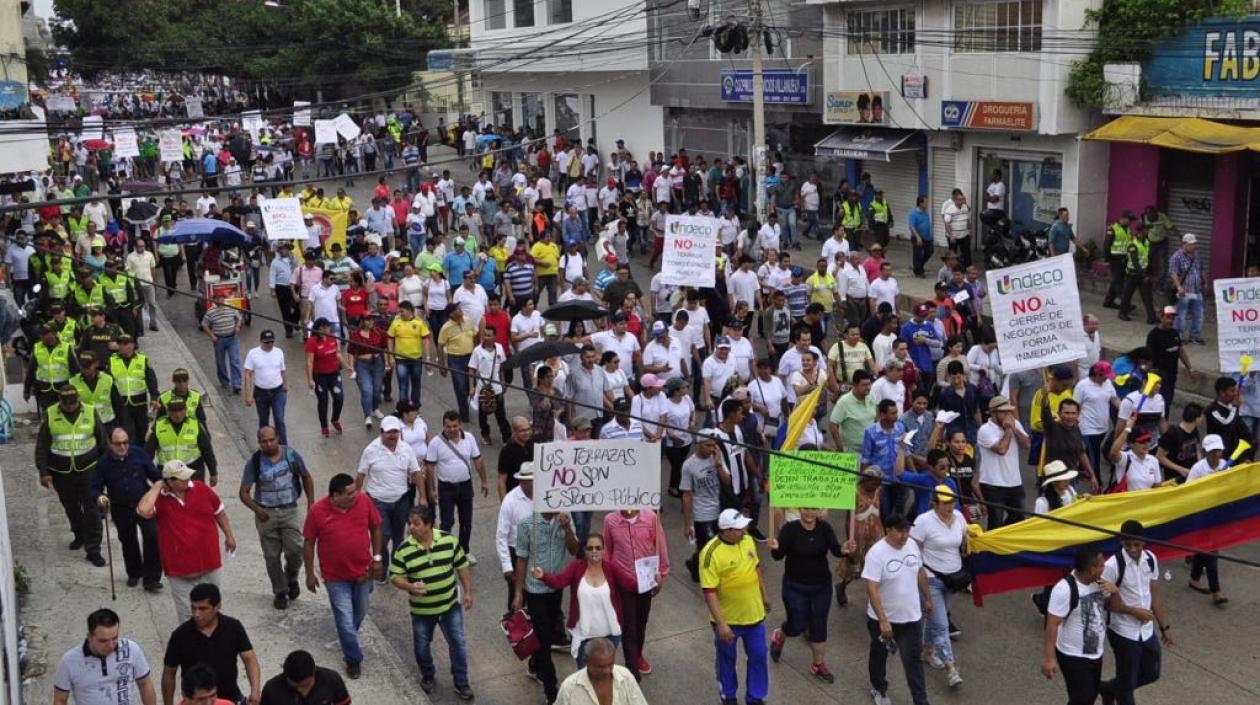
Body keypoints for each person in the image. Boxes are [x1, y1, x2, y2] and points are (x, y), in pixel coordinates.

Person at [301, 473, 383, 679]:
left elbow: (375, 527)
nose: (355, 495)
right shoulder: (317, 511)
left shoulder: (364, 501)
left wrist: (378, 558)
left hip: (364, 573)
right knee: (345, 619)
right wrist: (310, 574)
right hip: (335, 578)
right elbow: (309, 542)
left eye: (355, 490)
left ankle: (348, 638)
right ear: (334, 496)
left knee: (360, 611)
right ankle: (353, 658)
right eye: (349, 493)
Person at [390, 506, 475, 700]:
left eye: (416, 524)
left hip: (449, 606)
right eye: (409, 523)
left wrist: (468, 592)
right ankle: (428, 675)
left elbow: (461, 566)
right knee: (421, 645)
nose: (411, 527)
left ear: (429, 525)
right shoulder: (404, 550)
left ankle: (461, 683)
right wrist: (410, 587)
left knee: (458, 644)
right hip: (422, 611)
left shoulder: (448, 541)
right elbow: (395, 576)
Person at [137, 459, 235, 622]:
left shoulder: (202, 489)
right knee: (187, 617)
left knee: (214, 611)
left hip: (210, 566)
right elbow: (143, 510)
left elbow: (219, 512)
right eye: (182, 477)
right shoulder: (159, 499)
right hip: (179, 573)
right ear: (170, 481)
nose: (187, 479)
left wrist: (229, 536)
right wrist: (157, 487)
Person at [533, 531, 636, 666]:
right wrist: (543, 576)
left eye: (598, 548)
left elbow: (631, 583)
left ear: (604, 550)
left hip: (610, 635)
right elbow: (559, 581)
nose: (594, 551)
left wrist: (652, 579)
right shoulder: (576, 568)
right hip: (583, 636)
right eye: (590, 548)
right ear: (585, 550)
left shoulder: (611, 568)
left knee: (603, 673)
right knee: (584, 676)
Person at [699, 509, 770, 705]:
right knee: (726, 660)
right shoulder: (710, 553)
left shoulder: (747, 540)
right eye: (739, 529)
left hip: (754, 615)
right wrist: (721, 624)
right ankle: (728, 695)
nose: (744, 530)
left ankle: (755, 697)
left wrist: (764, 594)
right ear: (726, 531)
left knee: (758, 656)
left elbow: (755, 567)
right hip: (728, 621)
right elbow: (709, 591)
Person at [239, 426, 315, 610]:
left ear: (277, 438)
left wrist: (311, 502)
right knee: (272, 556)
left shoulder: (291, 455)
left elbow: (306, 477)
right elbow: (243, 492)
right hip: (266, 514)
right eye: (264, 441)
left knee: (295, 551)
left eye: (272, 439)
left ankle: (291, 578)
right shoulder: (255, 462)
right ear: (259, 443)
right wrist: (257, 510)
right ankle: (280, 591)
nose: (269, 444)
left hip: (289, 511)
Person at [1099, 520, 1170, 705]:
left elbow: (1154, 595)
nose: (1132, 549)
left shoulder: (1151, 560)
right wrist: (1132, 611)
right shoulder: (1113, 566)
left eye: (1137, 545)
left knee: (1152, 673)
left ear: (1144, 543)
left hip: (1146, 631)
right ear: (1121, 542)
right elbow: (1105, 603)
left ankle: (1110, 688)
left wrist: (1164, 626)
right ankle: (1119, 690)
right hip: (1123, 632)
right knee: (1127, 685)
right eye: (1127, 545)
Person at [36, 386, 108, 566]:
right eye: (66, 404)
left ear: (78, 399)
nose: (70, 406)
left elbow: (103, 441)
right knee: (71, 507)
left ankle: (93, 550)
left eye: (73, 403)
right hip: (61, 473)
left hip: (89, 470)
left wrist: (107, 469)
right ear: (60, 402)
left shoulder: (90, 412)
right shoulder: (51, 414)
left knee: (92, 509)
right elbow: (42, 447)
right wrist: (43, 472)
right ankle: (79, 534)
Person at [863, 513, 931, 705]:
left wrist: (927, 598)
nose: (904, 535)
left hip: (911, 617)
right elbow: (872, 588)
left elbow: (919, 572)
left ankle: (921, 700)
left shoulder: (912, 546)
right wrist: (883, 620)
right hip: (883, 621)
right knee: (879, 655)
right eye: (899, 531)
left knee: (913, 661)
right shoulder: (876, 554)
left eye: (907, 530)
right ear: (888, 530)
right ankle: (879, 688)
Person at [767, 508, 842, 682]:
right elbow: (778, 556)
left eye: (813, 509)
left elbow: (836, 550)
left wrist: (846, 550)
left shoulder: (825, 528)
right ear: (800, 509)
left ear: (819, 511)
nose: (809, 513)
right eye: (805, 508)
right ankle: (780, 635)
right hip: (795, 586)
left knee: (819, 624)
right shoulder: (790, 529)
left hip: (821, 586)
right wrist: (775, 548)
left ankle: (818, 664)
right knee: (797, 625)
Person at [514, 509, 579, 705]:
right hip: (535, 590)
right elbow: (522, 558)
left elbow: (574, 549)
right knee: (543, 640)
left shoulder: (565, 518)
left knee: (548, 634)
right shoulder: (526, 523)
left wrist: (567, 527)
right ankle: (552, 690)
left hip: (556, 587)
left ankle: (534, 665)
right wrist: (518, 592)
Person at [160, 583, 261, 705]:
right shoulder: (180, 635)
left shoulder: (233, 627)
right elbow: (169, 673)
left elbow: (249, 658)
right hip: (198, 701)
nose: (196, 614)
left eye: (203, 609)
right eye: (193, 608)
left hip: (231, 698)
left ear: (217, 606)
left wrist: (255, 691)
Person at [1041, 547, 1114, 705]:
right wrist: (1049, 659)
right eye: (1101, 565)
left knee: (1089, 696)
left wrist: (1114, 592)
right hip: (1073, 655)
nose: (1105, 566)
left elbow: (1111, 606)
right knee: (1082, 699)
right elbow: (1052, 623)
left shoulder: (1100, 583)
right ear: (1092, 569)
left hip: (1096, 653)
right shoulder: (1064, 589)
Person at [92, 427, 162, 591]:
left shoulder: (139, 454)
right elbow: (94, 488)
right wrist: (100, 497)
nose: (122, 447)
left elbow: (154, 475)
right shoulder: (103, 463)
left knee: (152, 535)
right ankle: (134, 572)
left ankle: (151, 578)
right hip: (120, 507)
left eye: (125, 442)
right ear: (110, 443)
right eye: (118, 444)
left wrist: (160, 485)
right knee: (128, 541)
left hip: (143, 504)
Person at [910, 487, 967, 688]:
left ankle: (927, 650)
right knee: (942, 625)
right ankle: (951, 668)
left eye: (952, 502)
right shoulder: (924, 521)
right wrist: (918, 573)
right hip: (931, 580)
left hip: (954, 580)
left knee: (935, 620)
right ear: (935, 503)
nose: (950, 506)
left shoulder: (959, 517)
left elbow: (966, 541)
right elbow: (912, 548)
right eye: (945, 503)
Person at [602, 507, 668, 679]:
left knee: (641, 621)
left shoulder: (651, 517)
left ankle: (636, 655)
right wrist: (608, 578)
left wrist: (662, 572)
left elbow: (659, 545)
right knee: (629, 627)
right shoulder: (610, 520)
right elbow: (607, 551)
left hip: (645, 581)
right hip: (623, 582)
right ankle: (633, 672)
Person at [356, 416, 425, 568]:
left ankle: (397, 566)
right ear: (381, 432)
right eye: (389, 432)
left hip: (401, 500)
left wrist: (423, 497)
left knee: (399, 536)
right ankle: (382, 566)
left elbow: (416, 473)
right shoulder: (370, 450)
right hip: (377, 502)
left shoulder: (406, 448)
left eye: (395, 432)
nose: (393, 435)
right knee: (382, 536)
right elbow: (361, 475)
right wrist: (356, 499)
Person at [54, 608, 158, 705]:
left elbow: (145, 684)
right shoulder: (69, 661)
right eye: (103, 641)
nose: (111, 645)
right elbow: (60, 700)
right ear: (89, 637)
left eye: (114, 638)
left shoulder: (131, 649)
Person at [424, 411, 489, 561]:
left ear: (460, 425)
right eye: (448, 426)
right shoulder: (436, 442)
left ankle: (464, 550)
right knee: (447, 521)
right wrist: (431, 490)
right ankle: (444, 551)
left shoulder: (470, 438)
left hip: (466, 485)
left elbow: (478, 460)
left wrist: (484, 481)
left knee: (466, 521)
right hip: (446, 488)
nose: (452, 429)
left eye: (455, 426)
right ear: (443, 426)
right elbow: (430, 467)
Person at [1185, 435, 1230, 605]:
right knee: (1211, 550)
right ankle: (1216, 591)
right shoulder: (1197, 469)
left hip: (1217, 514)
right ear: (1206, 452)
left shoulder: (1225, 466)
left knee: (1204, 549)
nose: (1217, 454)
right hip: (1201, 515)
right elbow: (1188, 492)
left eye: (1219, 450)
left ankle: (1194, 579)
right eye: (1213, 451)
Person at [975, 395, 1030, 528]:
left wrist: (1014, 429)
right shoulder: (985, 430)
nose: (1007, 415)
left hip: (1014, 481)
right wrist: (1007, 431)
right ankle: (990, 548)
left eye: (1009, 411)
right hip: (993, 484)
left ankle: (1004, 540)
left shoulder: (1015, 423)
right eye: (1003, 412)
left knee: (1019, 518)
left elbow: (1027, 444)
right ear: (993, 413)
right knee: (995, 522)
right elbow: (1001, 449)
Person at [554, 637, 648, 705]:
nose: (607, 671)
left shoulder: (625, 676)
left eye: (610, 664)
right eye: (601, 667)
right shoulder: (569, 688)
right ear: (586, 662)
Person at [305, 318, 351, 438]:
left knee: (339, 397)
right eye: (328, 327)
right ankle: (324, 426)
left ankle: (335, 419)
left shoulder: (332, 338)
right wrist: (310, 379)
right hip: (319, 376)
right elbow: (309, 361)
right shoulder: (312, 341)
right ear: (321, 328)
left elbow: (338, 354)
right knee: (323, 400)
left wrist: (347, 367)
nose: (330, 329)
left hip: (334, 373)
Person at [243, 330, 289, 444]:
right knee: (263, 421)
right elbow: (248, 374)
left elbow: (283, 371)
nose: (269, 344)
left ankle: (283, 447)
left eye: (271, 342)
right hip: (261, 392)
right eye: (266, 342)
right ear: (261, 341)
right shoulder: (253, 354)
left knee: (279, 419)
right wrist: (248, 395)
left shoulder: (279, 352)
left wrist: (285, 385)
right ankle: (264, 446)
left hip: (278, 391)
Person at [259, 650, 350, 705]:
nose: (301, 690)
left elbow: (343, 702)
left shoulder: (331, 679)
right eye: (294, 686)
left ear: (314, 672)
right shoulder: (271, 689)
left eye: (306, 685)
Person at [200, 293, 243, 393]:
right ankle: (224, 382)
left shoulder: (230, 307)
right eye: (218, 298)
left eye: (222, 298)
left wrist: (237, 326)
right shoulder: (210, 312)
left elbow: (239, 318)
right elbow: (204, 325)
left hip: (232, 338)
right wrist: (212, 336)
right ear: (214, 300)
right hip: (219, 340)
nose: (220, 300)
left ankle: (236, 384)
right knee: (220, 362)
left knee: (234, 360)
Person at [1168, 233, 1205, 344]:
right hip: (1184, 290)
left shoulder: (1197, 255)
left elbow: (1201, 269)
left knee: (1199, 314)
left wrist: (1205, 282)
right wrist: (1179, 287)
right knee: (1181, 314)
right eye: (1191, 244)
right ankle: (1179, 336)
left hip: (1197, 290)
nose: (1193, 246)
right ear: (1184, 244)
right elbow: (1173, 273)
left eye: (1194, 244)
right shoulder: (1176, 256)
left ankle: (1195, 335)